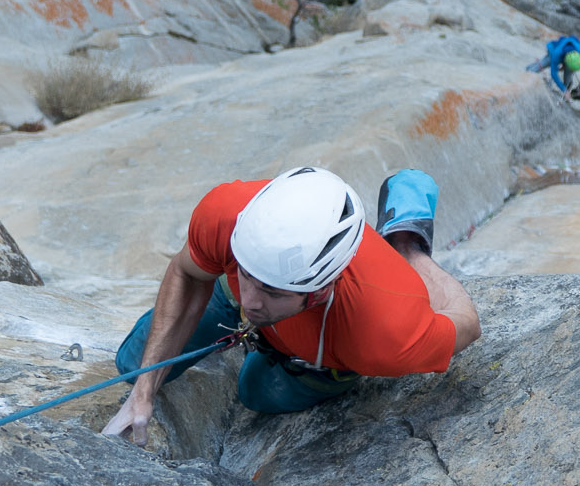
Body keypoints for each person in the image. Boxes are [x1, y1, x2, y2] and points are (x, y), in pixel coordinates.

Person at [102, 166, 480, 444]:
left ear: (318, 292)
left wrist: (412, 257)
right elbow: (187, 273)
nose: (250, 302)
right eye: (247, 275)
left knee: (257, 390)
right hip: (296, 295)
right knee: (133, 365)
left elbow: (467, 322)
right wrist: (144, 391)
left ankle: (401, 239)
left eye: (272, 291)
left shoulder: (386, 332)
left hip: (331, 343)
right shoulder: (227, 214)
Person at [529, 35, 580, 100]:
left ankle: (565, 94)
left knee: (568, 77)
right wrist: (564, 90)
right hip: (553, 50)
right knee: (543, 64)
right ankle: (528, 70)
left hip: (570, 52)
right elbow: (553, 74)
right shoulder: (556, 54)